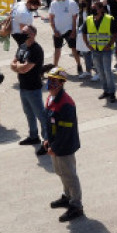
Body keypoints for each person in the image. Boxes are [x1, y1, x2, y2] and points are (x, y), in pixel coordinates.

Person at [42, 68, 84, 222]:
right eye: (49, 80)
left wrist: (55, 147)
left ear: (61, 83)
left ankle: (76, 205)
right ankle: (67, 197)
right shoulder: (50, 98)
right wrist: (47, 139)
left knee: (70, 175)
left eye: (54, 81)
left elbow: (65, 131)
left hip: (64, 146)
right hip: (54, 144)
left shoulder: (65, 103)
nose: (50, 83)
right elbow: (48, 122)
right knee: (60, 172)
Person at [13, 25, 48, 154]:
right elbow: (13, 63)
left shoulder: (36, 50)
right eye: (22, 31)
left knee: (41, 116)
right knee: (28, 113)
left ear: (33, 34)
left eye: (25, 32)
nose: (22, 34)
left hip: (33, 88)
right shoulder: (22, 46)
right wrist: (18, 66)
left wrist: (18, 66)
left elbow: (25, 68)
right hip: (23, 86)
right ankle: (33, 136)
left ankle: (47, 142)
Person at [83, 0, 117, 103]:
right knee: (101, 72)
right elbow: (84, 33)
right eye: (92, 8)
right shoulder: (88, 19)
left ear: (101, 9)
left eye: (95, 8)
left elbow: (115, 34)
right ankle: (105, 90)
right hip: (95, 50)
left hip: (106, 50)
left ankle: (112, 93)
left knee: (107, 71)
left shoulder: (109, 19)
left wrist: (109, 44)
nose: (93, 10)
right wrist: (88, 45)